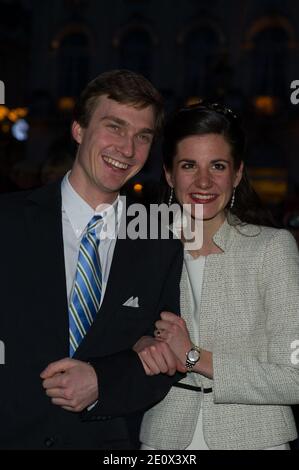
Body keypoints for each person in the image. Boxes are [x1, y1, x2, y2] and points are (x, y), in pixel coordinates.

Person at [0, 70, 184, 449]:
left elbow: (165, 360)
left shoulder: (159, 239)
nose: (128, 149)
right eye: (114, 127)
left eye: (143, 136)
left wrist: (102, 382)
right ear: (79, 130)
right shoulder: (8, 221)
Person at [138, 102, 299, 450]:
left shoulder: (272, 249)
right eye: (189, 166)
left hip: (256, 439)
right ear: (169, 174)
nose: (204, 181)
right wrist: (140, 345)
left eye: (218, 166)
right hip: (163, 439)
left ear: (237, 174)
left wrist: (195, 357)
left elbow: (295, 378)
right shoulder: (143, 249)